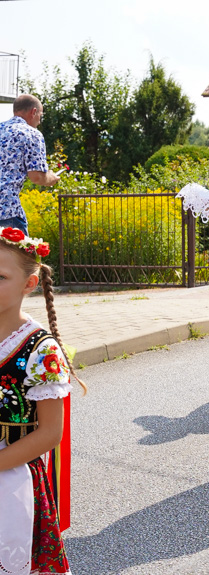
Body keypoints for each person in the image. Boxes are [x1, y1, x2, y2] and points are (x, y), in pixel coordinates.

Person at [0, 229, 84, 575]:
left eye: (0, 276)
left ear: (29, 284)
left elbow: (51, 433)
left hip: (13, 476)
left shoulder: (40, 349)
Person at [0, 95, 60, 233]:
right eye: (40, 115)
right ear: (33, 112)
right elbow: (37, 177)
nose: (39, 121)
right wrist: (51, 177)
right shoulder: (32, 134)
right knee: (24, 254)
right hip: (7, 212)